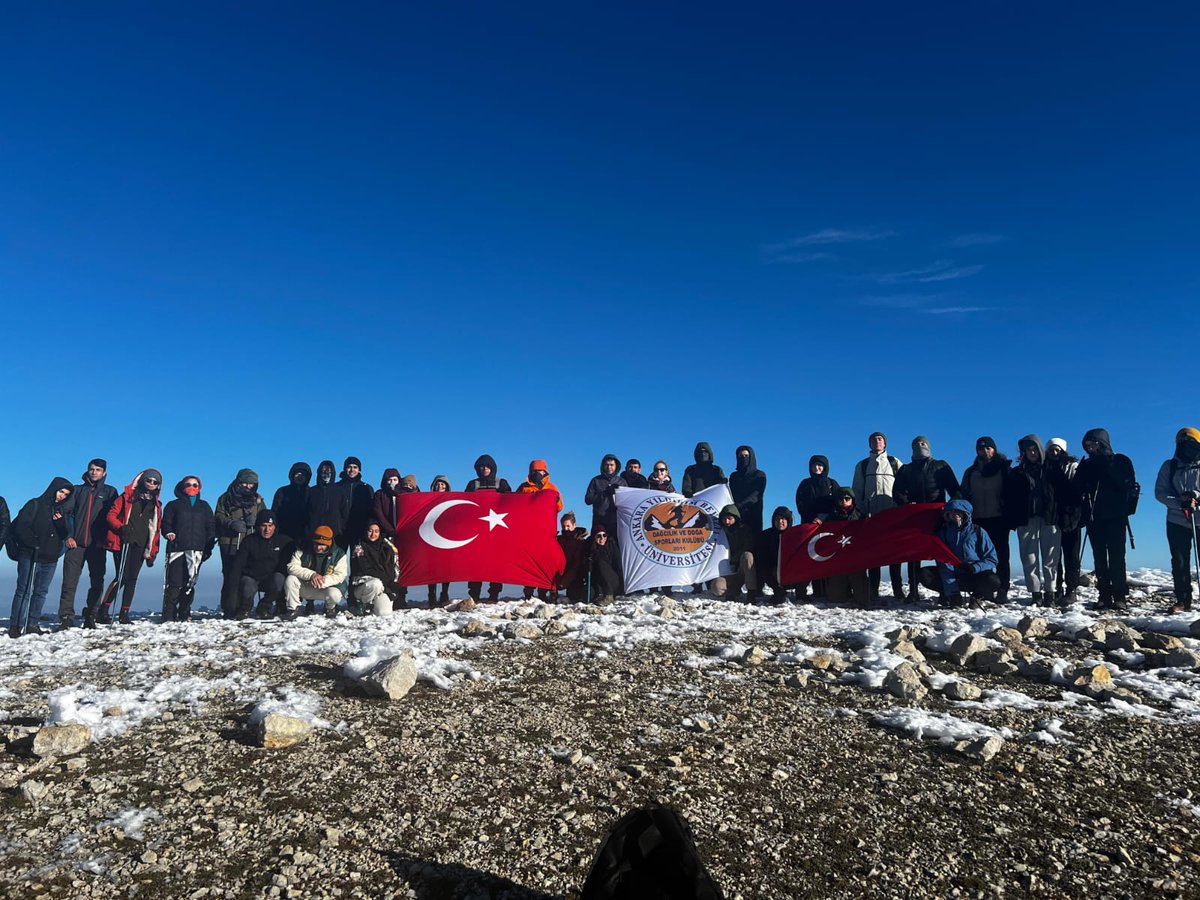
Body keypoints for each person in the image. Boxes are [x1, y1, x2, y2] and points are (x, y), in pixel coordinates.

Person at [1075, 429, 1138, 611]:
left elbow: (1125, 484)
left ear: (1103, 443)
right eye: (1087, 445)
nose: (1090, 448)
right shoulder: (1087, 465)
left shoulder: (1120, 461)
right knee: (1099, 558)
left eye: (1093, 444)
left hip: (1117, 516)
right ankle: (1104, 595)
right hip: (1095, 517)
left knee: (1117, 557)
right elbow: (1077, 488)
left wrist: (1106, 465)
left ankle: (1119, 596)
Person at [894, 436, 961, 601]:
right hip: (915, 518)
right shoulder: (906, 469)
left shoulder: (941, 466)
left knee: (941, 553)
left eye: (923, 443)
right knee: (913, 556)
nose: (919, 446)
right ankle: (913, 590)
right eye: (916, 444)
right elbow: (897, 492)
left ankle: (947, 590)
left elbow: (955, 490)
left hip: (939, 517)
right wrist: (907, 503)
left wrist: (953, 510)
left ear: (929, 446)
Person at [94, 469, 163, 626]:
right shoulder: (126, 498)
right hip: (123, 541)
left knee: (132, 579)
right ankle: (103, 610)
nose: (151, 484)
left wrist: (153, 551)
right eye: (149, 480)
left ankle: (124, 613)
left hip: (141, 543)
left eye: (155, 482)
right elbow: (111, 515)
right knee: (122, 577)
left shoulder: (157, 504)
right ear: (142, 480)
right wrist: (121, 527)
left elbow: (155, 528)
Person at [57, 458, 118, 630]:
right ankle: (66, 617)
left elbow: (112, 518)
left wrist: (105, 540)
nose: (94, 472)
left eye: (98, 469)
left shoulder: (110, 492)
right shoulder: (77, 490)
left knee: (97, 582)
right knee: (69, 582)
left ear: (104, 473)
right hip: (75, 545)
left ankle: (91, 615)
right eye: (92, 469)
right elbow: (64, 513)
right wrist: (67, 536)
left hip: (97, 546)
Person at [7, 477, 73, 637]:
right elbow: (20, 527)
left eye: (66, 494)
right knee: (24, 590)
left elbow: (64, 534)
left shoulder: (61, 511)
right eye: (61, 492)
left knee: (41, 592)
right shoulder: (34, 504)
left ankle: (32, 624)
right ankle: (15, 625)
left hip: (50, 558)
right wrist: (33, 543)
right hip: (30, 555)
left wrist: (60, 524)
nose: (62, 496)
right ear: (53, 489)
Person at [1007, 435, 1062, 605]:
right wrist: (1012, 519)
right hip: (1026, 519)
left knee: (1050, 558)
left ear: (1040, 450)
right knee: (1029, 557)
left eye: (1034, 449)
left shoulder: (1052, 469)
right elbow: (1009, 498)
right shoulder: (1017, 472)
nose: (1032, 452)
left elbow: (1064, 494)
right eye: (1028, 450)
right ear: (1023, 452)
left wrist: (1067, 515)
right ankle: (1035, 594)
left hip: (1050, 518)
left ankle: (1050, 593)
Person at [917, 499, 1001, 608]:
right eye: (952, 512)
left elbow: (992, 559)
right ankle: (947, 594)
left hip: (973, 574)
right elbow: (943, 564)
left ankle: (977, 596)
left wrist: (975, 567)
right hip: (951, 575)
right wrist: (953, 593)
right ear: (947, 514)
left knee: (993, 580)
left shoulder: (978, 531)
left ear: (966, 513)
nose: (955, 514)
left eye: (959, 512)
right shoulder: (942, 533)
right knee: (924, 574)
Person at [959, 436, 1013, 602]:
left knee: (1002, 556)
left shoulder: (1004, 469)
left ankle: (1003, 588)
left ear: (994, 449)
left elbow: (1013, 494)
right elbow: (963, 494)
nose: (985, 451)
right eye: (981, 449)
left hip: (999, 519)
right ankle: (985, 590)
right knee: (980, 556)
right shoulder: (971, 472)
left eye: (988, 448)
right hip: (977, 521)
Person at [852, 432, 904, 601]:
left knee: (895, 555)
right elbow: (857, 491)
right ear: (870, 444)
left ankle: (898, 590)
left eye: (880, 439)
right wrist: (861, 511)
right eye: (874, 440)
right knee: (874, 555)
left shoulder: (895, 463)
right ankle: (873, 590)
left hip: (892, 515)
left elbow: (904, 487)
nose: (877, 442)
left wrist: (900, 508)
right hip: (871, 516)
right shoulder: (862, 465)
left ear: (885, 443)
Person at [160, 475, 217, 623]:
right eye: (188, 484)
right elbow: (166, 523)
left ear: (199, 488)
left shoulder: (204, 506)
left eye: (195, 485)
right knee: (174, 583)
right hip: (176, 549)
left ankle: (185, 613)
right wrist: (168, 533)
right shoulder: (173, 505)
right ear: (182, 486)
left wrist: (208, 547)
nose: (191, 487)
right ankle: (169, 615)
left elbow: (210, 527)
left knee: (190, 583)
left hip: (197, 550)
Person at [1155, 428, 1200, 613]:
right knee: (1179, 561)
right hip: (1176, 520)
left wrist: (1195, 496)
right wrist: (1180, 503)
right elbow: (1160, 493)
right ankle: (1183, 600)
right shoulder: (1170, 466)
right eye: (1181, 442)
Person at [215, 469, 265, 618]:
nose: (248, 486)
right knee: (230, 574)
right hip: (229, 542)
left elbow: (265, 517)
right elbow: (218, 516)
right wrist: (230, 523)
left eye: (252, 484)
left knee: (247, 575)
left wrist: (256, 522)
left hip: (250, 541)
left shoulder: (258, 500)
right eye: (245, 482)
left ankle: (244, 608)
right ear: (238, 481)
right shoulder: (225, 498)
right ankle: (229, 608)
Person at [229, 509, 293, 620]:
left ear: (274, 526)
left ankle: (264, 608)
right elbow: (238, 565)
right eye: (264, 526)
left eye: (270, 525)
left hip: (270, 580)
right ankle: (244, 610)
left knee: (280, 578)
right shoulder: (249, 541)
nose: (267, 529)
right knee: (247, 583)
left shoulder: (284, 541)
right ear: (258, 526)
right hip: (252, 578)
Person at [465, 454, 513, 601]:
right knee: (476, 564)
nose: (484, 469)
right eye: (481, 466)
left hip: (497, 531)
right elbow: (465, 504)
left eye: (487, 466)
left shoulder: (502, 484)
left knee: (496, 563)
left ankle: (494, 594)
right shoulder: (473, 484)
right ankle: (474, 594)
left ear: (492, 468)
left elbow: (512, 502)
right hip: (477, 531)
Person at [794, 455, 839, 600]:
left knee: (827, 556)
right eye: (814, 466)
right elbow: (800, 503)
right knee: (812, 556)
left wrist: (823, 517)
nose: (817, 468)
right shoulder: (805, 484)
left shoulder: (832, 484)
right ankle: (815, 590)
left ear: (825, 467)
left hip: (828, 525)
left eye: (820, 466)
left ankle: (828, 590)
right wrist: (812, 518)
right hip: (809, 524)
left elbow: (837, 503)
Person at [815, 487, 871, 606]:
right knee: (836, 598)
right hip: (838, 563)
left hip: (856, 563)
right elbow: (823, 535)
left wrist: (869, 522)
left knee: (863, 599)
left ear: (852, 500)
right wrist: (818, 524)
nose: (844, 501)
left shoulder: (861, 516)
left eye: (847, 498)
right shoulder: (831, 517)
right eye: (841, 499)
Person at [518, 460, 563, 601]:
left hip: (546, 532)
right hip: (529, 531)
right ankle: (528, 593)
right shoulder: (523, 487)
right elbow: (515, 506)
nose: (537, 474)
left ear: (545, 472)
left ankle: (543, 592)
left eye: (540, 471)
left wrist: (555, 500)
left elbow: (560, 507)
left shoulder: (552, 488)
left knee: (544, 562)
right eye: (534, 471)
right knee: (529, 562)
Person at [1046, 438, 1083, 604]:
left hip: (1071, 516)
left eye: (1057, 450)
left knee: (1071, 555)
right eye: (1051, 450)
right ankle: (1058, 588)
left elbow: (1078, 492)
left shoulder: (1073, 467)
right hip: (1053, 517)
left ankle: (1071, 589)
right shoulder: (1044, 468)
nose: (1054, 453)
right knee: (1054, 556)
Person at [284, 525, 349, 619]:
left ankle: (330, 608)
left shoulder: (339, 554)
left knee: (334, 594)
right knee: (290, 580)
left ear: (329, 543)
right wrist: (312, 575)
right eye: (316, 544)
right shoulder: (302, 549)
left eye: (322, 545)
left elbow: (340, 575)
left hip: (326, 588)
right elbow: (291, 567)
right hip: (307, 584)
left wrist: (322, 581)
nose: (318, 547)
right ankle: (293, 609)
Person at [350, 520, 399, 616]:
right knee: (376, 584)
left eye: (376, 531)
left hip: (384, 586)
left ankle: (374, 605)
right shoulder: (359, 548)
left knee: (384, 612)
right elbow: (365, 569)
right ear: (366, 531)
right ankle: (362, 603)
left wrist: (393, 584)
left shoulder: (387, 547)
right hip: (364, 586)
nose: (373, 534)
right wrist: (385, 579)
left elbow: (394, 568)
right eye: (370, 531)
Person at [306, 460, 349, 548]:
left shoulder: (340, 492)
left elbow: (345, 515)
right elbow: (305, 514)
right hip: (314, 535)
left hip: (335, 535)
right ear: (319, 473)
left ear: (333, 473)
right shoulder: (311, 491)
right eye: (323, 472)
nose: (326, 474)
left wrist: (341, 531)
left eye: (329, 472)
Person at [757, 506, 795, 604]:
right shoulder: (766, 536)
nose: (780, 521)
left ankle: (801, 593)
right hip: (774, 571)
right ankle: (778, 592)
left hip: (793, 570)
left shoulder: (796, 534)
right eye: (777, 519)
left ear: (788, 520)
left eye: (783, 519)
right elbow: (763, 559)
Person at [585, 454, 626, 539]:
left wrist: (618, 493)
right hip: (599, 520)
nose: (609, 467)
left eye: (611, 465)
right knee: (597, 547)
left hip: (616, 521)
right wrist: (603, 494)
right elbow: (588, 500)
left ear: (616, 466)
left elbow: (628, 501)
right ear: (603, 466)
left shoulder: (621, 482)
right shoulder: (596, 480)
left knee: (614, 547)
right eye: (606, 465)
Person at [426, 475, 452, 606]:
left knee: (446, 567)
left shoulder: (452, 499)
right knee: (432, 567)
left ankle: (444, 593)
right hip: (431, 536)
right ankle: (431, 594)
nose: (440, 487)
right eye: (438, 484)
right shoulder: (426, 500)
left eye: (443, 484)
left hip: (446, 538)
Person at [729, 445, 767, 534]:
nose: (743, 458)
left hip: (753, 515)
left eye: (746, 456)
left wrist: (741, 504)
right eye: (741, 456)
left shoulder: (759, 475)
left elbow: (756, 494)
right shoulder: (734, 476)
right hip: (735, 515)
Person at [270, 462, 312, 544]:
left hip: (304, 535)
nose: (299, 477)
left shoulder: (311, 492)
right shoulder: (282, 491)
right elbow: (274, 513)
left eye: (302, 474)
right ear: (292, 475)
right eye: (297, 474)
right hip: (283, 533)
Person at [338, 456, 375, 548]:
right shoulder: (336, 488)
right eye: (349, 467)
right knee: (337, 560)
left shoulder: (366, 488)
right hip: (339, 531)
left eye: (355, 467)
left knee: (357, 560)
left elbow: (371, 510)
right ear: (345, 469)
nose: (352, 470)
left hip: (359, 530)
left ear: (359, 470)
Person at [555, 511, 590, 603]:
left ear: (574, 525)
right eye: (563, 526)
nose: (565, 529)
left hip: (575, 574)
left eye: (568, 526)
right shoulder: (559, 539)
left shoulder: (580, 542)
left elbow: (577, 564)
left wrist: (564, 582)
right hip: (561, 571)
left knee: (574, 597)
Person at [588, 526, 622, 604]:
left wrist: (622, 587)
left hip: (612, 581)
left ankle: (609, 595)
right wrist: (588, 565)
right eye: (598, 536)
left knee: (601, 563)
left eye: (604, 535)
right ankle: (598, 595)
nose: (602, 538)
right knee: (588, 594)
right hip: (598, 582)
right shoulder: (590, 549)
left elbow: (619, 566)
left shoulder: (612, 546)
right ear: (594, 537)